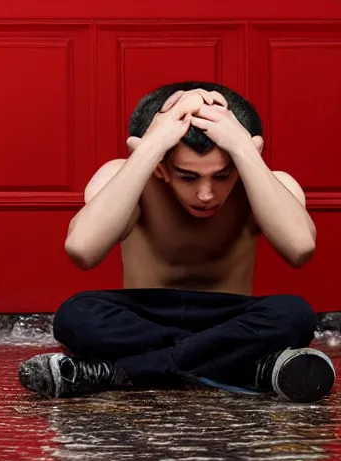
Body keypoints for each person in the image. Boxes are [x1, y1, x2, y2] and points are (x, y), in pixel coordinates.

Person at [18, 81, 336, 403]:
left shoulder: (266, 182)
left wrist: (244, 151)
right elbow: (82, 249)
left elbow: (300, 248)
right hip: (153, 317)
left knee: (294, 314)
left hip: (229, 317)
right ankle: (248, 367)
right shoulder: (127, 175)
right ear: (160, 167)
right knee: (76, 314)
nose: (206, 194)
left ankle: (119, 371)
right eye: (188, 176)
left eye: (222, 175)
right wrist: (149, 149)